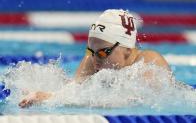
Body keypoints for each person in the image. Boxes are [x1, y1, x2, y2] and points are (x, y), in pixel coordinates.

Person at [19, 9, 171, 108]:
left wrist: (50, 98)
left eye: (103, 52)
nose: (94, 59)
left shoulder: (149, 63)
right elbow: (72, 91)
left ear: (127, 50)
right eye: (90, 50)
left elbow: (136, 103)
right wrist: (43, 95)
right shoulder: (93, 58)